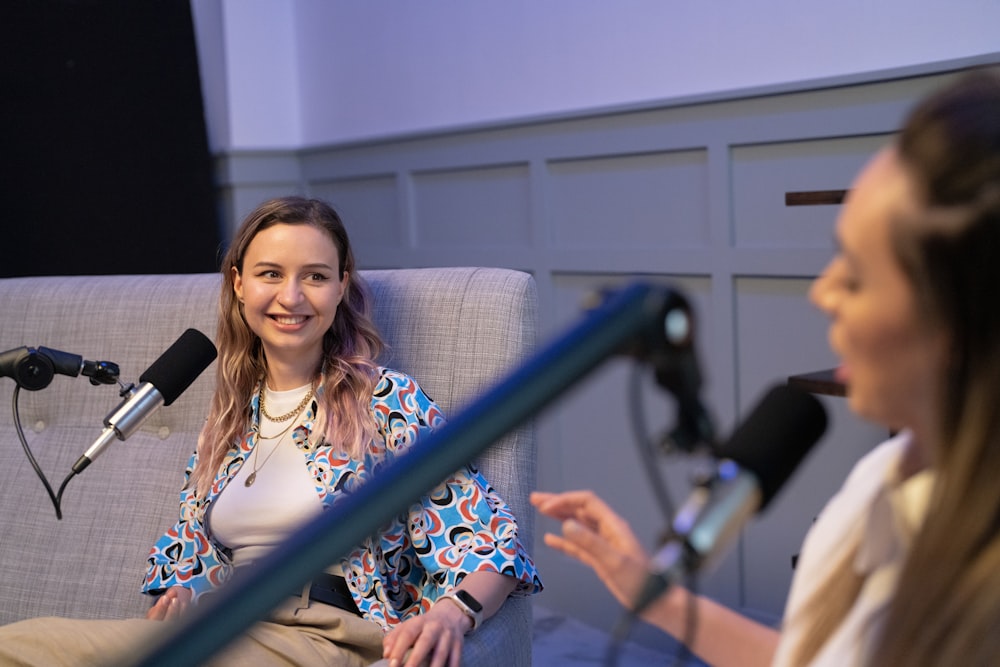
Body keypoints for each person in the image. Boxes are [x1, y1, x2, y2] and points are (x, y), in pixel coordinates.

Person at [532, 67, 1000, 666]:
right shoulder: (880, 481)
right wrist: (656, 593)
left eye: (855, 275)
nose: (822, 294)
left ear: (956, 327)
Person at [0, 196, 541, 667]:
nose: (293, 296)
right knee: (19, 648)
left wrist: (453, 616)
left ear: (340, 287)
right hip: (218, 627)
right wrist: (180, 592)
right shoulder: (229, 419)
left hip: (319, 634)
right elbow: (191, 548)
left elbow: (492, 545)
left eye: (315, 275)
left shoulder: (386, 400)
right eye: (271, 273)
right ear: (239, 284)